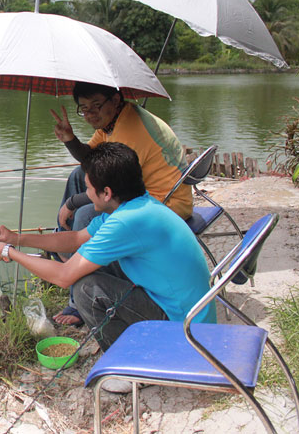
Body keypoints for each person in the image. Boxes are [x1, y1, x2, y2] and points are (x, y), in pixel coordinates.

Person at [0, 143, 215, 382]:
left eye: (88, 188)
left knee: (85, 289)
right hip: (190, 316)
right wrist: (16, 238)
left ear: (106, 192)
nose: (87, 193)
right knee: (92, 264)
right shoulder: (135, 206)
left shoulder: (126, 222)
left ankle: (131, 367)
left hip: (186, 332)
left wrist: (9, 253)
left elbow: (64, 277)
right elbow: (75, 239)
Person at [49, 82, 194, 325]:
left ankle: (80, 288)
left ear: (115, 100)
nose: (90, 114)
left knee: (87, 214)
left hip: (165, 205)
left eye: (96, 106)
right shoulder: (114, 122)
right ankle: (67, 245)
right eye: (83, 109)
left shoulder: (129, 131)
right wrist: (70, 138)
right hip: (142, 192)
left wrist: (72, 203)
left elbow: (110, 186)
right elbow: (91, 159)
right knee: (78, 174)